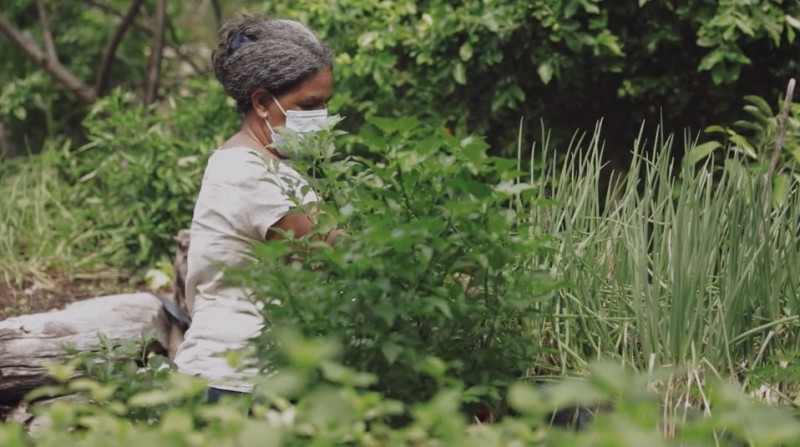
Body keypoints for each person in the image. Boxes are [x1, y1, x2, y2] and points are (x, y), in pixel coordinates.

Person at [173, 15, 342, 402]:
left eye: (326, 104)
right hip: (234, 384)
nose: (322, 117)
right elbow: (339, 252)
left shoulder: (267, 164)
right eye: (310, 104)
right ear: (263, 102)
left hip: (256, 377)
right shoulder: (247, 172)